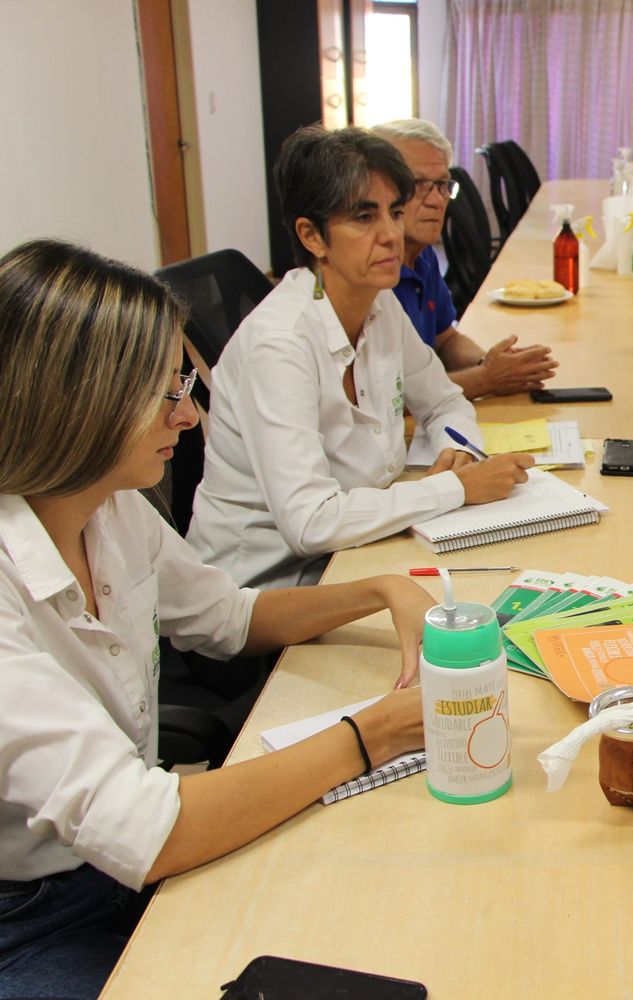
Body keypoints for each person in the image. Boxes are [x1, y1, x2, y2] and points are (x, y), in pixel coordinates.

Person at [0, 239, 430, 999]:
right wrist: (371, 736)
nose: (190, 415)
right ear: (79, 401)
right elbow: (148, 828)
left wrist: (383, 590)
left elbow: (228, 616)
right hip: (33, 918)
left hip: (127, 858)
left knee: (369, 919)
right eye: (166, 391)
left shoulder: (108, 509)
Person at [187, 126, 535, 589]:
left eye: (394, 212)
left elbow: (444, 402)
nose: (392, 234)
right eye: (364, 218)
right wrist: (453, 488)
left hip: (359, 549)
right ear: (312, 236)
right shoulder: (280, 346)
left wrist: (459, 452)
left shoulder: (377, 301)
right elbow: (311, 523)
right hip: (268, 591)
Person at [371, 118, 557, 400]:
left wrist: (489, 363)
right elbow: (384, 399)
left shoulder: (423, 256)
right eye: (419, 184)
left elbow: (445, 339)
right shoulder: (371, 274)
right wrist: (485, 380)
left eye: (443, 185)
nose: (437, 200)